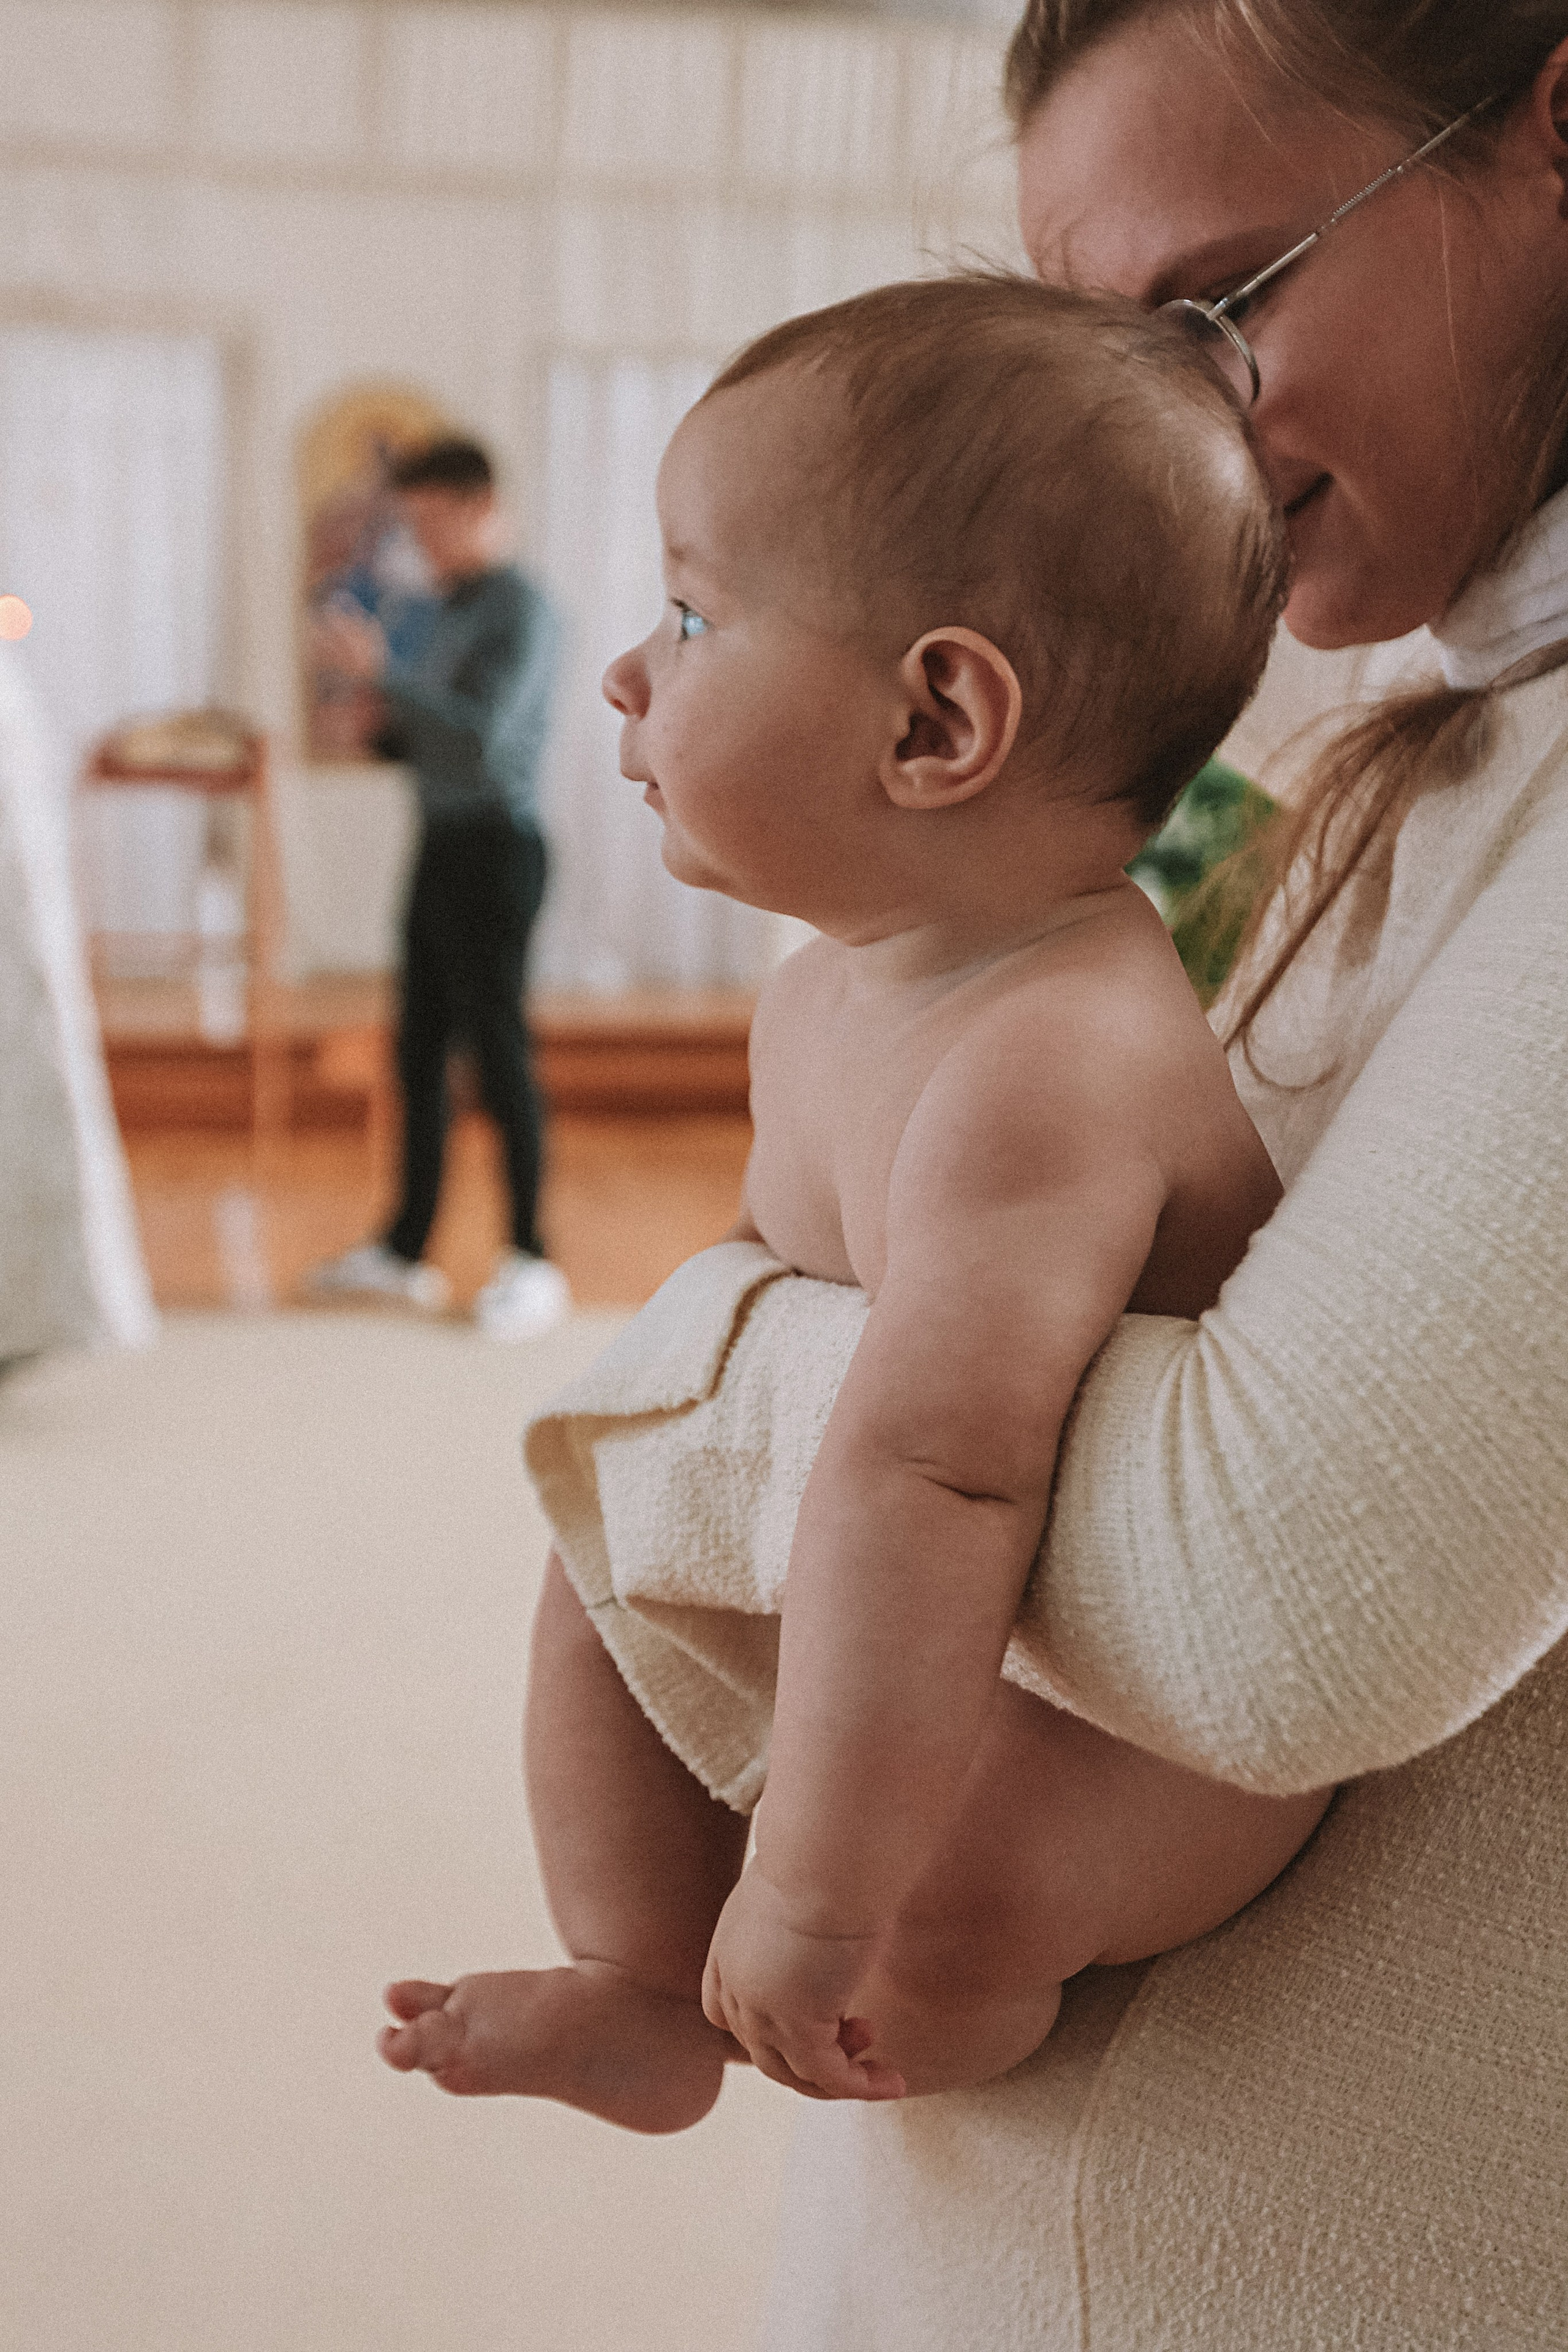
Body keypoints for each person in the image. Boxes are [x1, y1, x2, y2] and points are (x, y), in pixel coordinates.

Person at [499, 4, 1568, 2343]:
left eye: (1216, 305)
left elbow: (1278, 1603)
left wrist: (688, 1371)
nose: (1160, 426)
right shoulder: (1319, 750)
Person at [377, 276, 1333, 2118]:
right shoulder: (833, 985)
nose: (627, 671)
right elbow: (763, 1346)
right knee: (594, 1549)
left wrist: (816, 1891)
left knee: (934, 1913)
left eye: (692, 612)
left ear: (935, 725)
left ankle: (934, 1994)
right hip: (899, 1616)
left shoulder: (1047, 1063)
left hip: (1137, 1736)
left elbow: (938, 1469)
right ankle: (643, 1982)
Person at [307, 437, 570, 1341]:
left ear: (477, 506)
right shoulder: (443, 609)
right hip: (440, 842)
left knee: (497, 1053)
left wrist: (383, 676)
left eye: (430, 521)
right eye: (409, 523)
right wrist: (372, 712)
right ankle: (406, 1250)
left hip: (499, 847)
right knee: (417, 1049)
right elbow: (419, 739)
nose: (419, 541)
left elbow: (481, 743)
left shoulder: (523, 609)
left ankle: (533, 1258)